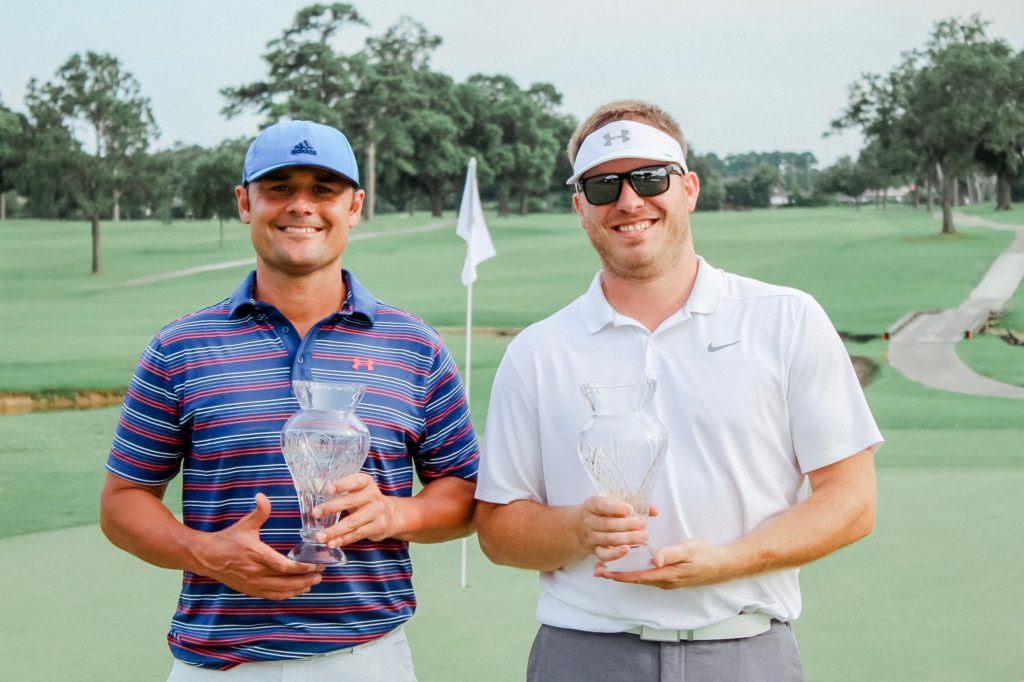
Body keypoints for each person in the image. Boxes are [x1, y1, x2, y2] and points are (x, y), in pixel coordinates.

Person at [474, 100, 881, 681]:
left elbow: (852, 501)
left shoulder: (786, 318)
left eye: (649, 177)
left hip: (745, 649)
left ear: (688, 188)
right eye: (603, 186)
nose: (629, 200)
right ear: (580, 209)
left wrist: (728, 562)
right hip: (586, 653)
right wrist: (577, 529)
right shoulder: (538, 351)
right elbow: (498, 528)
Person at [100, 120, 479, 680]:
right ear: (244, 203)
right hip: (218, 665)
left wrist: (399, 512)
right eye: (280, 188)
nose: (301, 206)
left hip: (366, 659)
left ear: (354, 206)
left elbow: (466, 491)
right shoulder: (181, 346)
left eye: (323, 189)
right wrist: (202, 551)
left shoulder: (412, 344)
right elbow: (122, 501)